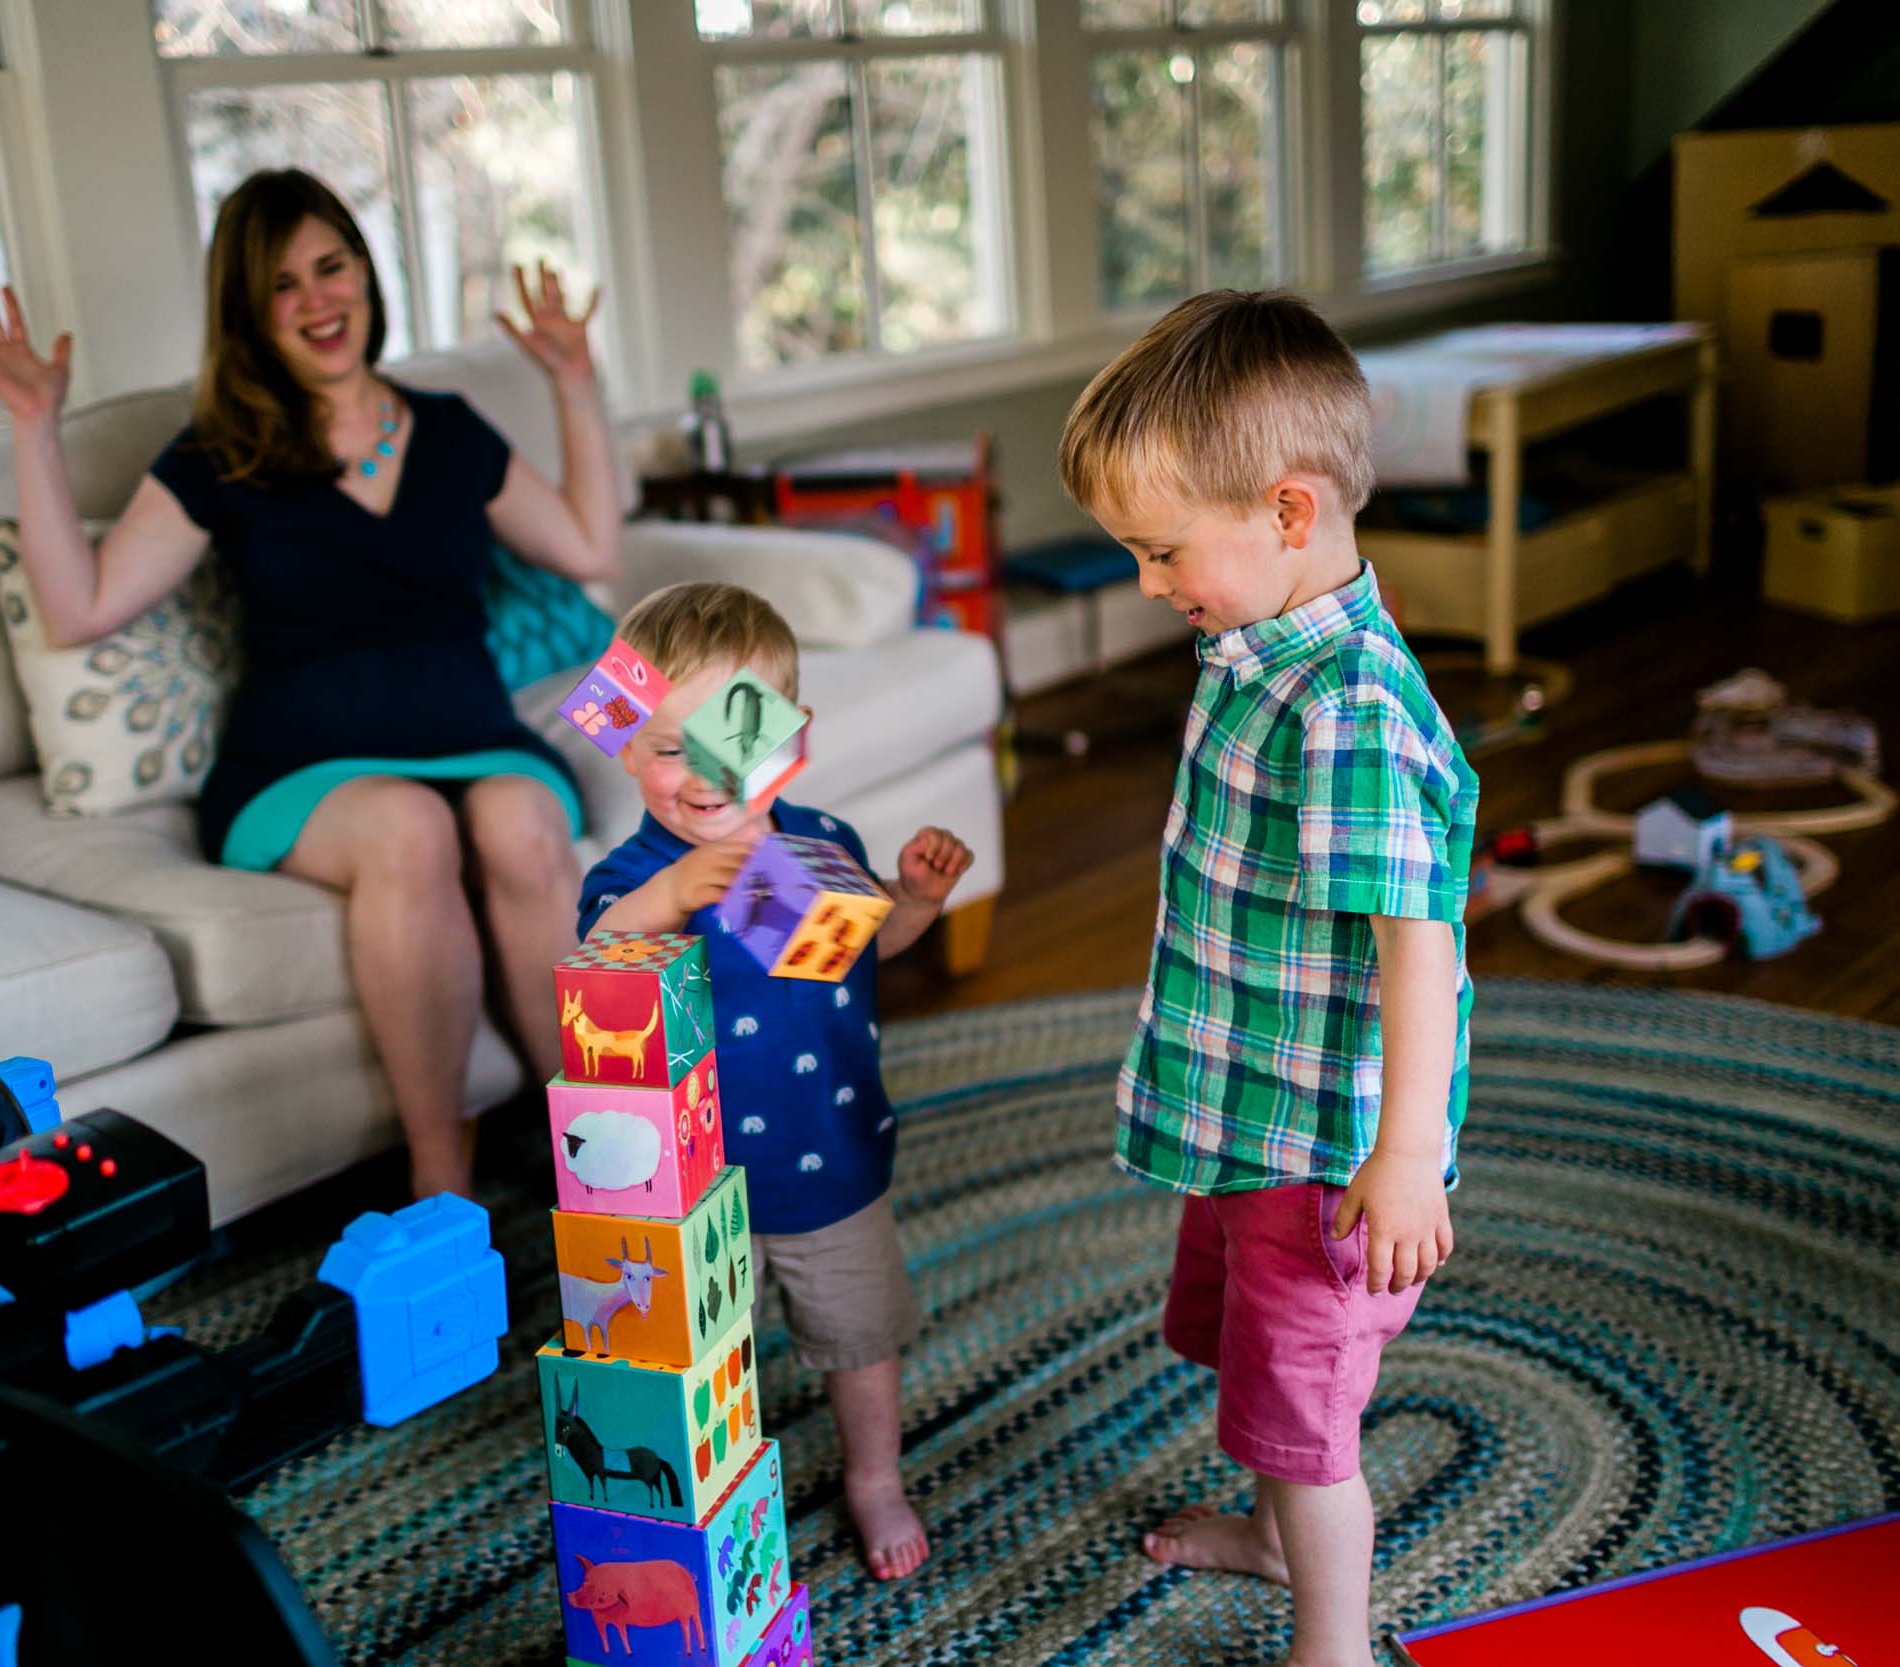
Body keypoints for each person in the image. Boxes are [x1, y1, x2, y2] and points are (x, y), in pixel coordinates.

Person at [0, 168, 622, 1201]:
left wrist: (577, 383)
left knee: (525, 829)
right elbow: (80, 607)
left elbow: (584, 542)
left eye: (330, 266)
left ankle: (601, 1135)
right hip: (306, 759)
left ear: (363, 273)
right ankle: (444, 1171)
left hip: (474, 728)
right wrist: (34, 428)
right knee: (409, 831)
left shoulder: (452, 430)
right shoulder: (224, 451)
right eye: (281, 285)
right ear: (249, 316)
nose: (317, 300)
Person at [1057, 290, 1478, 1667]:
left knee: (1309, 1420)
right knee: (1261, 1375)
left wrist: (1406, 1154)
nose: (1146, 582)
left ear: (1289, 514)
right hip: (1249, 1112)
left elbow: (1421, 938)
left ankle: (1332, 1638)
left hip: (1319, 1153)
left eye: (1162, 549)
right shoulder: (1258, 644)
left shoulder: (1344, 706)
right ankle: (1265, 1524)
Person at [577, 582, 974, 1583]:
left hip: (827, 1151)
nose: (703, 774)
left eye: (734, 741)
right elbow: (596, 964)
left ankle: (873, 1473)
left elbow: (865, 943)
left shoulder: (812, 844)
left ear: (790, 740)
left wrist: (915, 899)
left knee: (859, 1335)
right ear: (625, 744)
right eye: (669, 746)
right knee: (698, 1358)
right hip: (693, 1183)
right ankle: (712, 1491)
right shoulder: (628, 878)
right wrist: (672, 892)